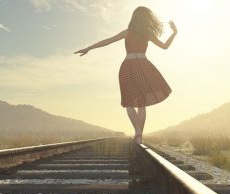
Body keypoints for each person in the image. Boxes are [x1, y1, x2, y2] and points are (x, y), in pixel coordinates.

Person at [75, 6, 177, 144]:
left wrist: (88, 48)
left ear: (134, 18)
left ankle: (137, 131)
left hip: (128, 66)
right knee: (142, 103)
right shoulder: (147, 33)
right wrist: (174, 33)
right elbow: (165, 46)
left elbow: (107, 41)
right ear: (147, 18)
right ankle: (140, 134)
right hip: (143, 66)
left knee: (129, 102)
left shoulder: (128, 32)